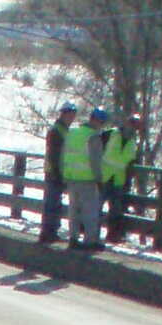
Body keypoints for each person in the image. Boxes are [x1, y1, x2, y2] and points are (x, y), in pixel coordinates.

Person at [63, 106, 105, 250]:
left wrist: (65, 174)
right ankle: (90, 241)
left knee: (74, 210)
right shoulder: (93, 137)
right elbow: (95, 161)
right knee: (90, 211)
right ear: (98, 122)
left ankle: (73, 238)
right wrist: (99, 178)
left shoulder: (73, 133)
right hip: (87, 179)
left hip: (71, 177)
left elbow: (64, 155)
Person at [101, 113, 141, 243]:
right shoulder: (111, 133)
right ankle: (89, 233)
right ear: (126, 123)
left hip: (118, 180)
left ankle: (112, 236)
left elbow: (131, 163)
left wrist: (128, 181)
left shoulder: (133, 143)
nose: (133, 127)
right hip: (104, 177)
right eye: (132, 123)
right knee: (95, 206)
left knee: (116, 210)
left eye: (136, 125)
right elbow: (95, 148)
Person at [39, 102, 76, 244]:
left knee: (55, 203)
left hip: (60, 172)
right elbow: (54, 155)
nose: (72, 117)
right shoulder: (56, 131)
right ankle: (48, 232)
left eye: (73, 115)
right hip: (54, 172)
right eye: (70, 114)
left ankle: (51, 231)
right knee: (52, 203)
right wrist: (57, 173)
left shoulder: (64, 130)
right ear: (64, 114)